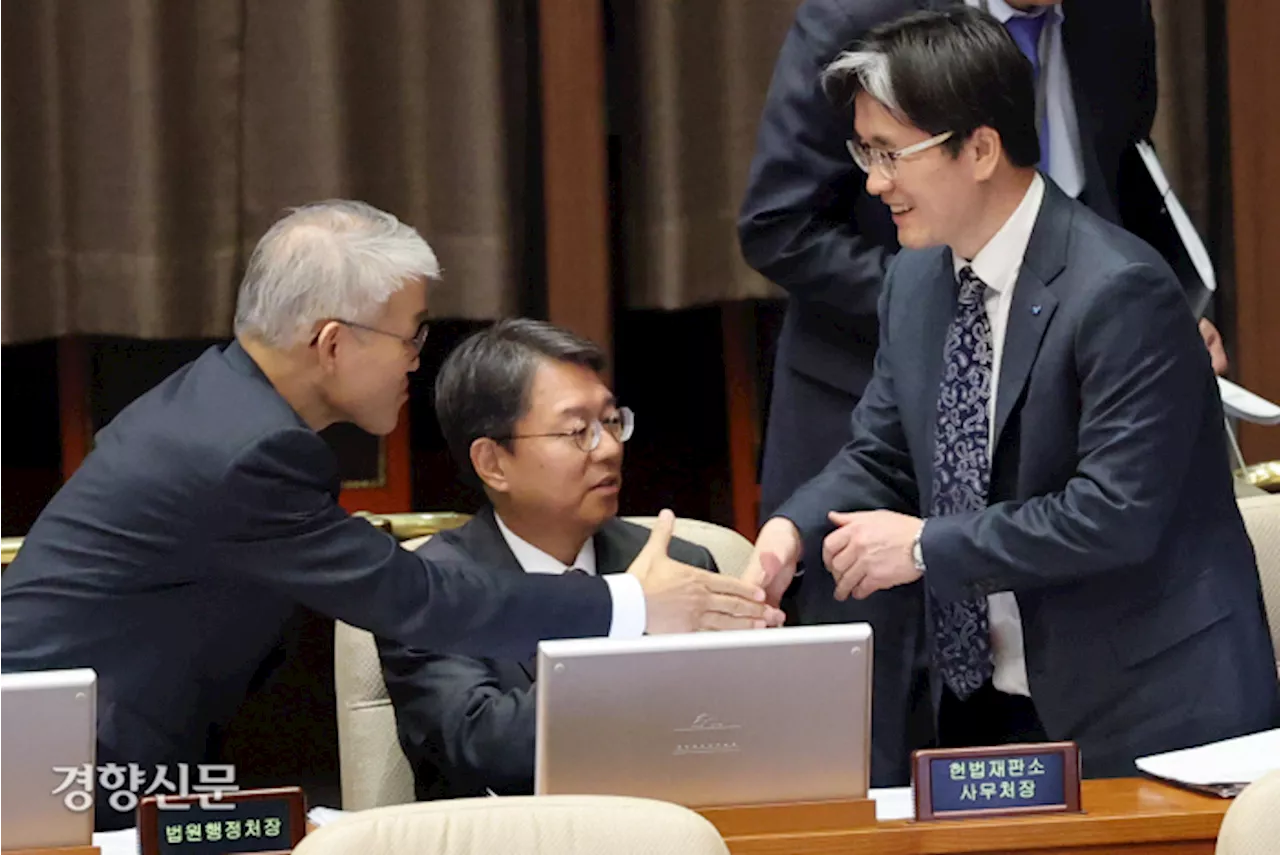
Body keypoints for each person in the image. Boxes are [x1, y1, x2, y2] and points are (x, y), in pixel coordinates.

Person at [0, 201, 782, 830]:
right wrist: (633, 604)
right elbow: (419, 600)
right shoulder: (246, 451)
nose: (417, 358)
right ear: (332, 343)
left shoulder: (218, 406)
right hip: (60, 765)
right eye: (411, 335)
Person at [745, 7, 1279, 781]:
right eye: (865, 152)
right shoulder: (916, 280)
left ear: (982, 149)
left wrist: (924, 546)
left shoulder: (1120, 291)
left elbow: (1112, 515)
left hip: (1157, 715)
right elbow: (884, 452)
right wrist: (790, 530)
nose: (873, 182)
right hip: (994, 704)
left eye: (891, 153)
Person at [377, 319, 720, 799]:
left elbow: (724, 734)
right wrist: (635, 616)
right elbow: (486, 751)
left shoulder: (680, 565)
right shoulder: (427, 591)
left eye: (612, 421)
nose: (610, 449)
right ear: (492, 463)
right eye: (578, 430)